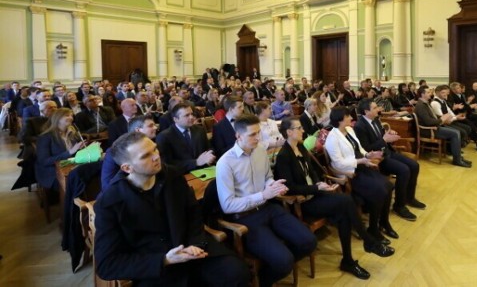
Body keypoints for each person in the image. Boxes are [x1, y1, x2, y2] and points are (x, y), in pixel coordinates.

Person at [94, 132, 250, 286]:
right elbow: (107, 264)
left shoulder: (172, 175)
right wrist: (165, 259)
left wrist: (195, 244)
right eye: (145, 156)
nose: (156, 157)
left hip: (191, 247)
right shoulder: (110, 202)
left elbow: (193, 213)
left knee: (236, 272)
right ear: (127, 168)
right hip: (156, 266)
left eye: (155, 149)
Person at [275, 117, 394, 279]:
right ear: (289, 132)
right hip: (304, 201)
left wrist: (322, 184)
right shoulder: (283, 156)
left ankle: (349, 260)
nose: (303, 130)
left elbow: (315, 172)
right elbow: (290, 187)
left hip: (316, 194)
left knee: (344, 214)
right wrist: (316, 187)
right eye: (299, 128)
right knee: (346, 201)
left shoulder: (301, 148)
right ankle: (368, 241)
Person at [216, 115, 317, 287]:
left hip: (267, 207)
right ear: (238, 136)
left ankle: (273, 268)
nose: (258, 138)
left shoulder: (260, 151)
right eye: (252, 135)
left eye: (259, 133)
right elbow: (227, 206)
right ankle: (264, 280)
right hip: (246, 218)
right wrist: (263, 195)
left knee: (309, 241)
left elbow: (267, 177)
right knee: (283, 261)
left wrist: (274, 185)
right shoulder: (225, 162)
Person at [324, 107, 397, 243]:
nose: (352, 119)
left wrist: (368, 155)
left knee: (389, 186)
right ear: (340, 119)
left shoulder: (350, 130)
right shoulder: (332, 138)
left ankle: (384, 222)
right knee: (380, 190)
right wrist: (361, 160)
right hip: (351, 173)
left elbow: (360, 149)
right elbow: (338, 164)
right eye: (348, 117)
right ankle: (373, 228)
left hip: (362, 165)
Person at [354, 99, 425, 221]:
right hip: (378, 159)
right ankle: (399, 206)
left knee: (414, 165)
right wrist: (384, 140)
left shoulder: (375, 119)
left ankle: (409, 197)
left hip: (387, 152)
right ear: (366, 111)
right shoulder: (360, 126)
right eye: (375, 108)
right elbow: (365, 149)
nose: (379, 109)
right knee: (404, 170)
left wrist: (388, 133)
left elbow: (381, 135)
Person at [415, 86, 471, 168]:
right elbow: (428, 121)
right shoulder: (421, 106)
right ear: (422, 94)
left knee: (457, 132)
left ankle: (458, 157)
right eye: (428, 92)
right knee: (455, 133)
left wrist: (441, 117)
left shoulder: (425, 103)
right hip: (429, 130)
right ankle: (457, 160)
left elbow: (432, 116)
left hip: (434, 127)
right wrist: (441, 119)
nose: (430, 93)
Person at [156, 103, 215, 174]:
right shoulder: (164, 137)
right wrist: (195, 162)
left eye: (192, 114)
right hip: (182, 174)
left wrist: (210, 155)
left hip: (205, 170)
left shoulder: (200, 130)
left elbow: (209, 148)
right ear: (175, 119)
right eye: (187, 115)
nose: (192, 117)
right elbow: (168, 163)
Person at [36, 108, 86, 190]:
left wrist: (87, 149)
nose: (71, 118)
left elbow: (77, 153)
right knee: (80, 179)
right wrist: (70, 152)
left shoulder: (73, 133)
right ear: (57, 118)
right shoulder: (45, 137)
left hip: (72, 166)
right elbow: (44, 161)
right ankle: (73, 201)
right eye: (67, 115)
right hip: (53, 172)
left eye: (71, 115)